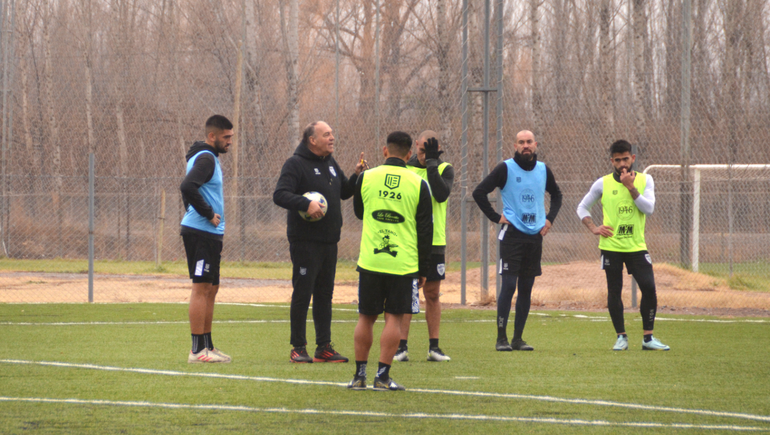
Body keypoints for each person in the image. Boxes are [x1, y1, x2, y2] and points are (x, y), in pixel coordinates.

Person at [273, 121, 367, 363]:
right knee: (303, 292)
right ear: (312, 140)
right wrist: (306, 204)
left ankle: (323, 347)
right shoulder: (295, 164)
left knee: (325, 294)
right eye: (327, 134)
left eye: (332, 134)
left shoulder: (331, 164)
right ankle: (298, 347)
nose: (332, 138)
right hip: (305, 241)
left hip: (329, 241)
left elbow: (345, 192)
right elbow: (280, 194)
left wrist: (357, 176)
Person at [347, 131, 433, 391]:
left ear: (385, 151)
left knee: (366, 317)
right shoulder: (419, 183)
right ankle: (382, 377)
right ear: (409, 155)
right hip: (403, 263)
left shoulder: (365, 178)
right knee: (394, 319)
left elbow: (360, 213)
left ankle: (359, 376)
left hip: (371, 261)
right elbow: (425, 229)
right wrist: (424, 268)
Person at [472, 130, 562, 351]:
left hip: (535, 237)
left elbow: (557, 195)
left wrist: (549, 220)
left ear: (535, 144)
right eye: (521, 142)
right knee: (509, 285)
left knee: (526, 288)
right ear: (515, 145)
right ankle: (501, 339)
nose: (526, 146)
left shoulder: (543, 170)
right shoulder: (505, 168)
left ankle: (518, 339)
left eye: (529, 142)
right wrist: (496, 217)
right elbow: (479, 192)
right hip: (511, 235)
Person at [576, 140, 670, 351]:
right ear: (612, 161)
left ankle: (648, 339)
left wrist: (631, 188)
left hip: (636, 247)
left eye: (625, 159)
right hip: (611, 247)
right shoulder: (602, 183)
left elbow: (649, 209)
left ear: (633, 158)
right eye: (617, 160)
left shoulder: (646, 180)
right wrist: (593, 227)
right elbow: (582, 207)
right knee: (614, 290)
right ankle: (621, 337)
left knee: (649, 288)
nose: (622, 164)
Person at [393, 131, 454, 362]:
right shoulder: (404, 169)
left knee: (432, 294)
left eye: (429, 151)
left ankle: (434, 348)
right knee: (408, 294)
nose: (424, 155)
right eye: (421, 150)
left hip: (435, 242)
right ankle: (401, 347)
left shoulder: (444, 169)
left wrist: (431, 163)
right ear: (414, 146)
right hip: (408, 240)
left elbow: (440, 195)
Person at [180, 115, 234, 363]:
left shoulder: (206, 157)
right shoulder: (205, 158)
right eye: (226, 137)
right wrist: (207, 213)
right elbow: (187, 186)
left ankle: (208, 347)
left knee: (211, 289)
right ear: (212, 136)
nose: (229, 141)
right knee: (201, 289)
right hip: (201, 233)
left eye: (231, 136)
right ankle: (196, 351)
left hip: (210, 235)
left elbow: (192, 189)